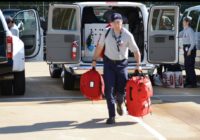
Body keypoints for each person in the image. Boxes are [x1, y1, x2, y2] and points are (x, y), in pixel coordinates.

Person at [92, 13, 141, 124]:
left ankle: (119, 103)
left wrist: (138, 65)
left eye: (119, 22)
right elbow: (99, 47)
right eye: (115, 22)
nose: (117, 24)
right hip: (109, 64)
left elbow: (136, 51)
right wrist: (94, 60)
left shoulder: (127, 35)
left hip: (122, 65)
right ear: (111, 23)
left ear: (122, 22)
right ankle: (112, 116)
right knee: (109, 91)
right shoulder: (106, 33)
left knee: (121, 91)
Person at [179, 16, 197, 88]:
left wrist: (189, 50)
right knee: (186, 66)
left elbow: (193, 43)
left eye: (184, 21)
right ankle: (188, 81)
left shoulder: (190, 30)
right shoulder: (185, 30)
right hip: (186, 48)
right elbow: (180, 35)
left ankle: (193, 83)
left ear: (187, 22)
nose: (183, 22)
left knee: (190, 67)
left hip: (190, 49)